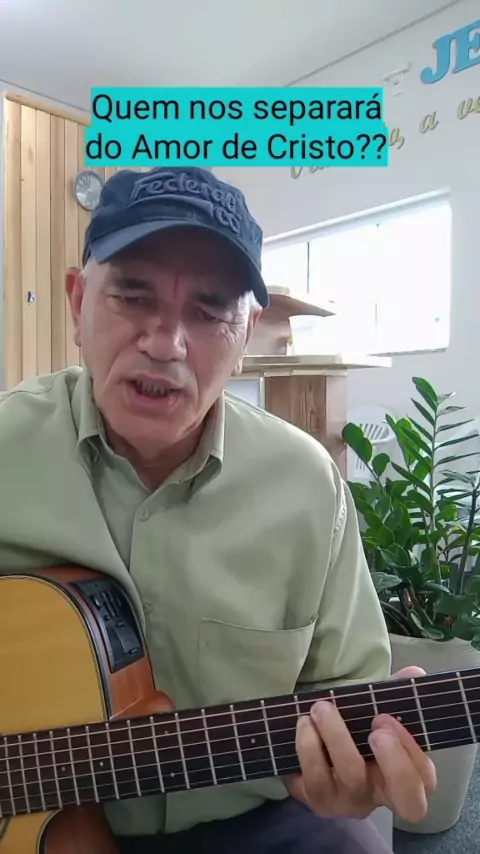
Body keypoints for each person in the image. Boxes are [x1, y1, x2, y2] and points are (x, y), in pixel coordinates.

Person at [0, 166, 435, 853]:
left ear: (248, 332)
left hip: (257, 819)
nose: (166, 344)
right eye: (133, 296)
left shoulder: (307, 485)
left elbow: (347, 690)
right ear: (77, 303)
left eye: (208, 312)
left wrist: (355, 769)